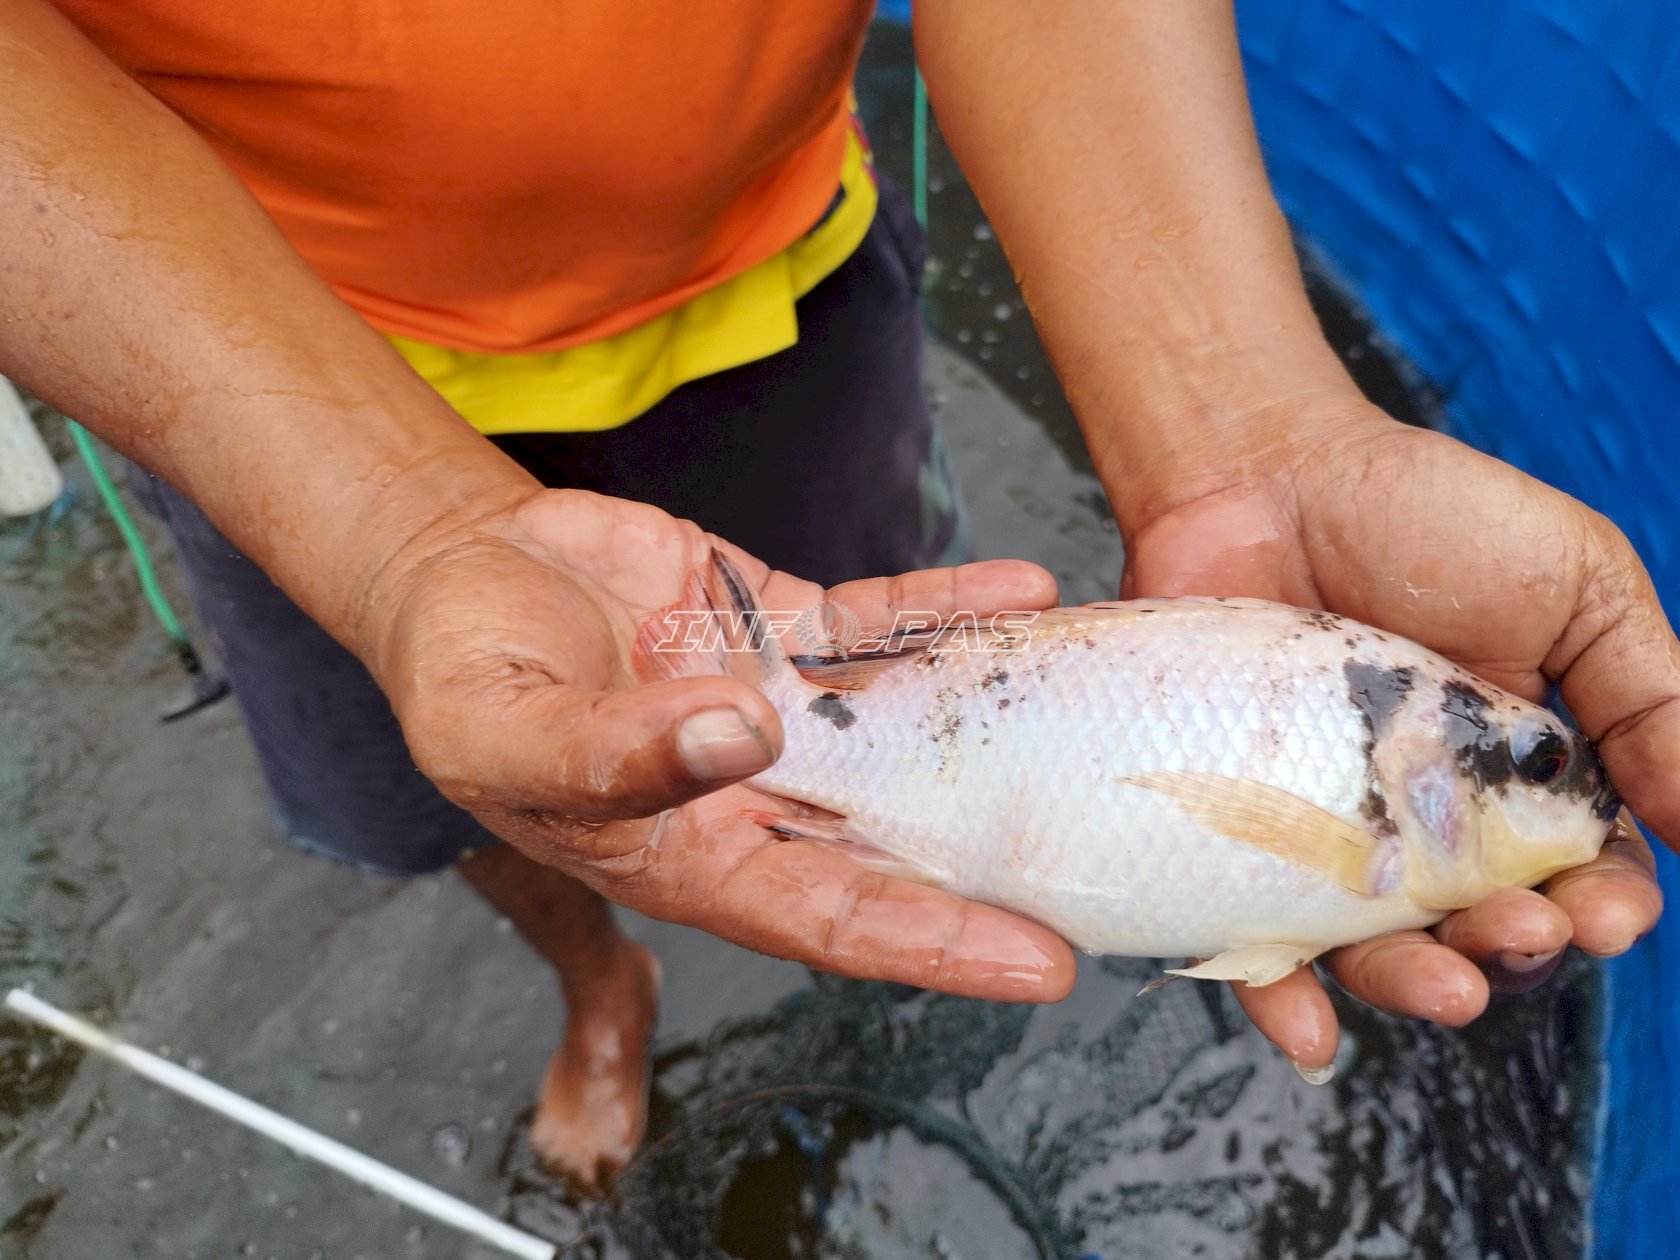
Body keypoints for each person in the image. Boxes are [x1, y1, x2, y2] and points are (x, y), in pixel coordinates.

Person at [1, 0, 1668, 1192]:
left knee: (785, 692)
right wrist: (393, 538)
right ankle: (599, 983)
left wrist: (1243, 425)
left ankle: (802, 850)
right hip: (231, 343)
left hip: (764, 274)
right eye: (1534, 765)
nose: (1564, 789)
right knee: (444, 775)